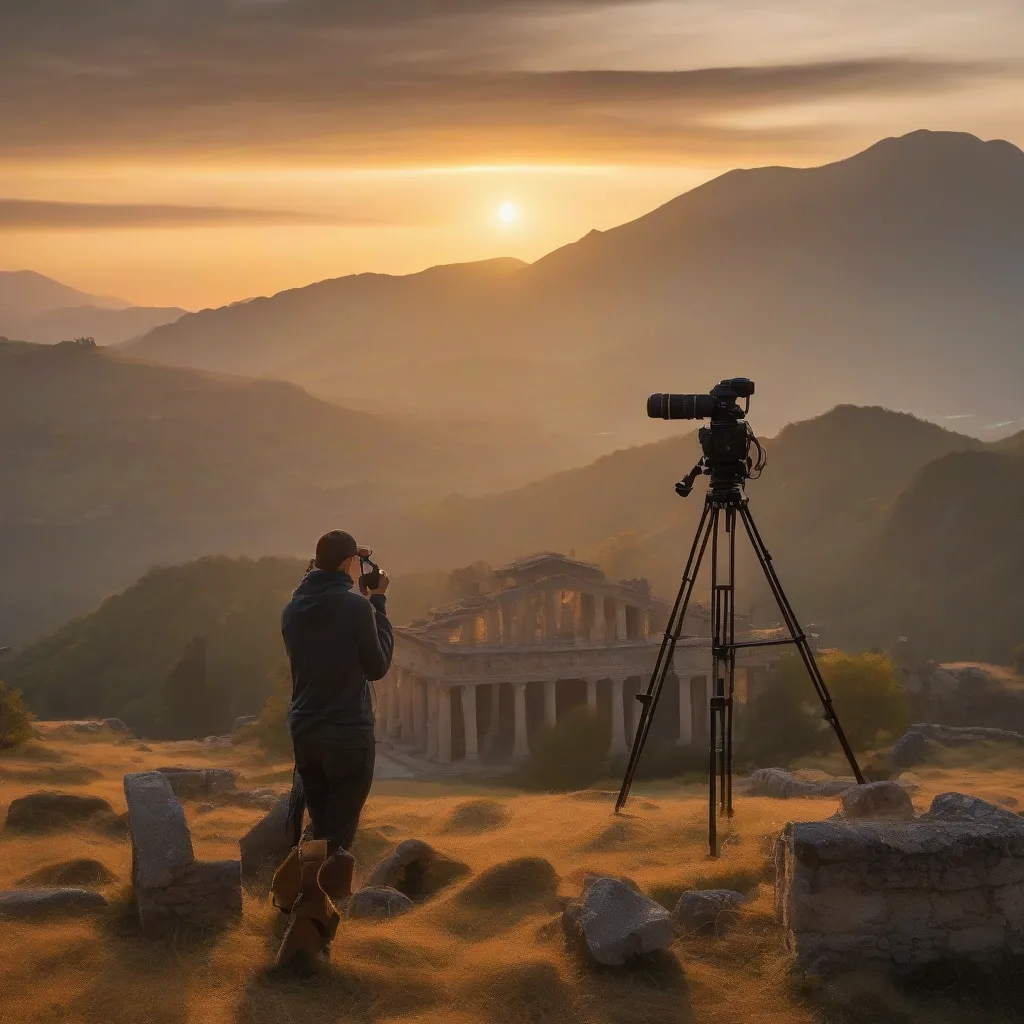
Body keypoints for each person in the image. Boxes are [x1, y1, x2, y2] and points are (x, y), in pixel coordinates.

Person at [273, 529, 393, 966]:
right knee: (337, 838)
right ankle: (302, 945)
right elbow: (377, 666)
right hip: (346, 732)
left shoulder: (292, 609)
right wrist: (377, 601)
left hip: (306, 731)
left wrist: (343, 570)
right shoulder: (355, 606)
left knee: (321, 826)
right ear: (348, 565)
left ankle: (286, 899)